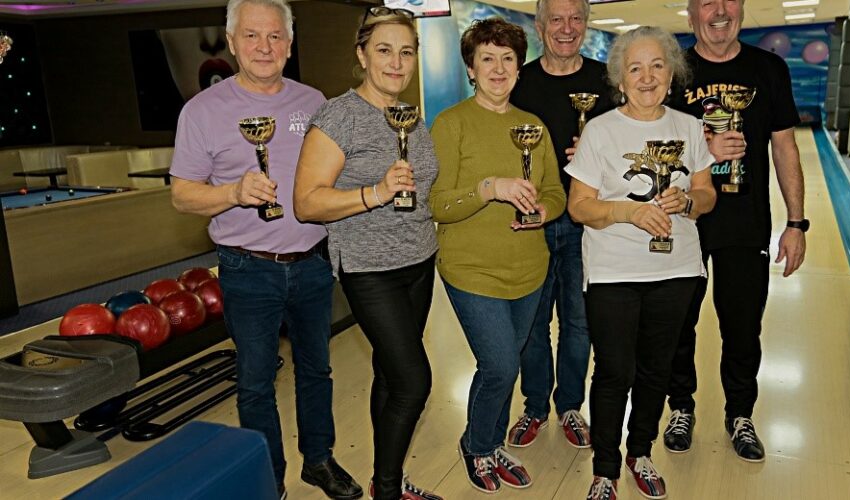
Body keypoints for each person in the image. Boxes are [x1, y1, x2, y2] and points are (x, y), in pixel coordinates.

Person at [169, 1, 362, 499]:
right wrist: (234, 192)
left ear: (289, 45)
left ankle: (318, 461)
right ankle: (268, 477)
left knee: (317, 370)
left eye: (275, 36)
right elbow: (182, 195)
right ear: (232, 42)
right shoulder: (201, 111)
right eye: (252, 36)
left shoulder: (313, 101)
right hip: (247, 269)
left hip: (313, 263)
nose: (264, 47)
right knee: (256, 383)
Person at [292, 7, 441, 500]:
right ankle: (390, 491)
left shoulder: (410, 117)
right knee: (414, 381)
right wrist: (375, 193)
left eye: (406, 52)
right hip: (369, 268)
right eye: (383, 50)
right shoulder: (340, 115)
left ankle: (384, 478)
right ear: (361, 55)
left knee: (389, 375)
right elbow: (306, 202)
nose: (396, 62)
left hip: (419, 260)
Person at [566, 26, 717, 500]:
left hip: (677, 270)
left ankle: (641, 452)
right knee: (615, 371)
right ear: (620, 79)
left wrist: (687, 202)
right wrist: (628, 212)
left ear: (671, 75)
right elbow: (579, 207)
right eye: (635, 68)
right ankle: (605, 469)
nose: (647, 77)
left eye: (657, 66)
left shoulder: (689, 127)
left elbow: (707, 194)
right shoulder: (600, 130)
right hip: (613, 271)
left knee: (657, 368)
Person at [663, 0, 807, 463]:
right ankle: (680, 407)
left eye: (728, 0)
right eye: (707, 2)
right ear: (691, 14)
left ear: (742, 8)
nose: (719, 11)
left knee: (743, 328)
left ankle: (740, 414)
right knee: (677, 324)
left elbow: (784, 148)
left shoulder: (769, 69)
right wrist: (706, 145)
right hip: (683, 220)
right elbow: (652, 140)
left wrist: (796, 223)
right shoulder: (672, 70)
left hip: (746, 223)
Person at [429, 18, 566, 495]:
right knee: (501, 366)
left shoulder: (534, 126)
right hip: (471, 270)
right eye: (487, 58)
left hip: (530, 268)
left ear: (519, 68)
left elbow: (555, 191)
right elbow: (437, 204)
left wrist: (544, 210)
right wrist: (489, 188)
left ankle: (488, 439)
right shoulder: (451, 124)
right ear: (470, 68)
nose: (499, 68)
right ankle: (478, 445)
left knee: (505, 368)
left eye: (508, 58)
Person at [507, 0, 613, 449]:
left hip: (586, 223)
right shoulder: (518, 83)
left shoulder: (608, 82)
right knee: (531, 323)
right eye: (556, 19)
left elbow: (628, 152)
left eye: (576, 19)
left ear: (586, 24)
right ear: (539, 26)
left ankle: (570, 405)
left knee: (579, 322)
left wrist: (598, 161)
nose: (567, 28)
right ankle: (534, 406)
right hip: (531, 222)